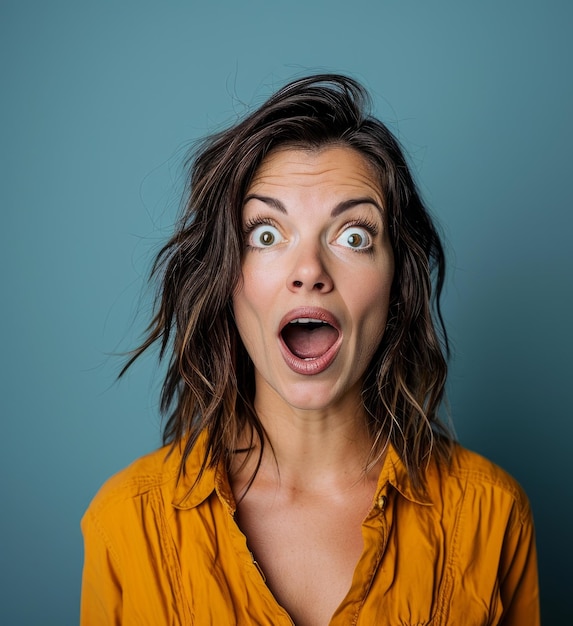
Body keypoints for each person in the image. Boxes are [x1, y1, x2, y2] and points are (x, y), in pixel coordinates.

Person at [81, 74, 540, 625]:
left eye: (353, 235)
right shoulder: (128, 523)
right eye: (267, 234)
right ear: (226, 278)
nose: (309, 272)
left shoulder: (490, 517)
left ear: (397, 283)